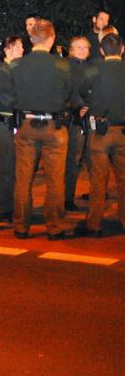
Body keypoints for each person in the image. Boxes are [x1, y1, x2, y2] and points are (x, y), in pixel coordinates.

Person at [9, 19, 75, 240]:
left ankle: (21, 226)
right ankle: (54, 227)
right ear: (52, 37)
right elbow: (72, 97)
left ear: (31, 38)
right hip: (54, 127)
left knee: (23, 177)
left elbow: (10, 97)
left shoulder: (17, 65)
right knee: (55, 179)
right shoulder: (63, 66)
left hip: (26, 125)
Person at [78, 33, 125, 238]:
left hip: (99, 131)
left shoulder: (92, 70)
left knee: (98, 180)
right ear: (122, 49)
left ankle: (94, 223)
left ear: (102, 51)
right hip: (123, 131)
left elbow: (82, 91)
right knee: (123, 179)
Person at [0, 35, 24, 222]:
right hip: (7, 124)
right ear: (8, 49)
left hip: (17, 123)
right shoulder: (2, 70)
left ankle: (15, 205)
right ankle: (5, 208)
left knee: (18, 167)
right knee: (7, 167)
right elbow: (8, 99)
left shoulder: (17, 68)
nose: (22, 49)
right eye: (18, 46)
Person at [64, 36, 92, 211]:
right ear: (71, 50)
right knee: (73, 160)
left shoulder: (92, 68)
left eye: (85, 47)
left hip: (92, 119)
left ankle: (97, 195)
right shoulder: (66, 69)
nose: (82, 50)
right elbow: (62, 94)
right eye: (78, 47)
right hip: (74, 120)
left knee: (94, 159)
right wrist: (75, 109)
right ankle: (67, 198)